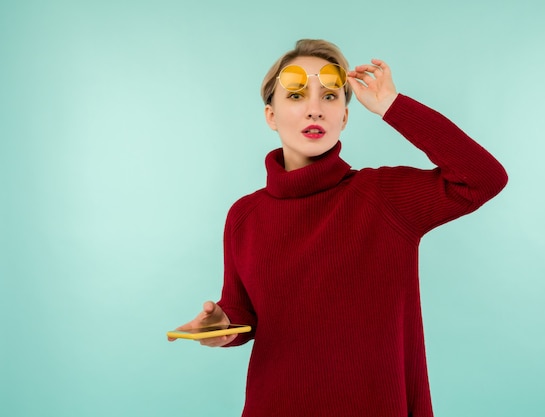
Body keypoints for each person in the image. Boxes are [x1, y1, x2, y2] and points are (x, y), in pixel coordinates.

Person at [169, 39, 508, 417]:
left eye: (330, 97)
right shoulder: (244, 216)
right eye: (296, 96)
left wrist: (393, 106)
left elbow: (483, 179)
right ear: (270, 116)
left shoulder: (383, 198)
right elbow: (243, 312)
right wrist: (222, 324)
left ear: (344, 117)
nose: (315, 109)